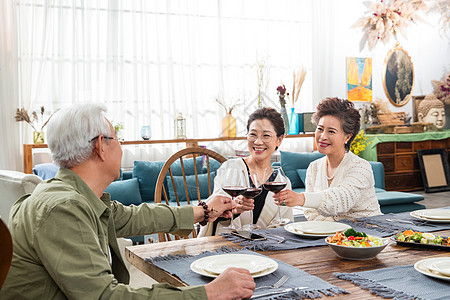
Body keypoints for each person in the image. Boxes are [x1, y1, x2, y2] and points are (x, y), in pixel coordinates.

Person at [1, 103, 255, 300]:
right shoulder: (63, 208)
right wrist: (210, 293)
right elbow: (105, 296)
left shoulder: (74, 196)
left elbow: (136, 216)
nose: (121, 147)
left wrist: (204, 210)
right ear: (101, 146)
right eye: (117, 139)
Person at [273, 97, 382, 221]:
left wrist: (301, 198)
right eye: (320, 129)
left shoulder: (360, 167)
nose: (322, 137)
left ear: (347, 137)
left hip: (369, 234)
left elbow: (341, 200)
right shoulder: (314, 167)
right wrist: (329, 230)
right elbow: (310, 213)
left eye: (331, 131)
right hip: (330, 237)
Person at [199, 107, 293, 236]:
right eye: (253, 134)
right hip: (228, 244)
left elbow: (285, 226)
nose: (258, 142)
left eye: (266, 136)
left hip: (266, 248)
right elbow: (212, 211)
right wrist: (234, 207)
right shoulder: (231, 168)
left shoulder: (282, 182)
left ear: (279, 140)